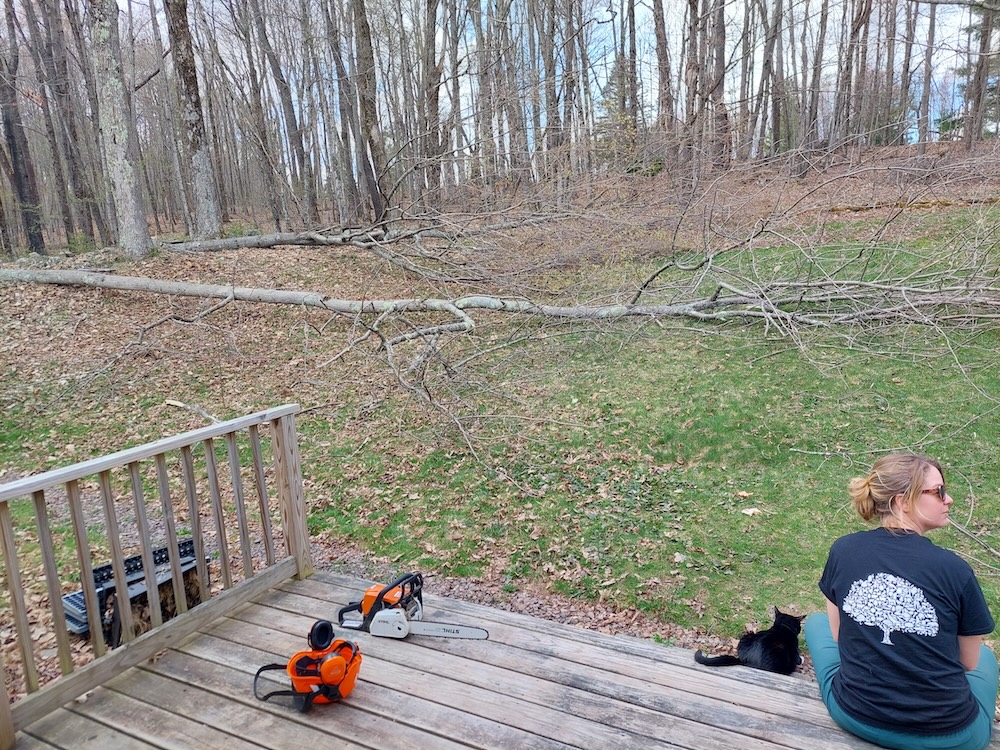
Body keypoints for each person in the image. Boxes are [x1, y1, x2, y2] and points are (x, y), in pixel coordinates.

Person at [805, 453, 999, 750]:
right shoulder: (955, 570)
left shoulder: (843, 550)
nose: (949, 500)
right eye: (939, 492)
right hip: (951, 739)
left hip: (855, 715)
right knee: (985, 659)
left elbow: (837, 635)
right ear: (902, 501)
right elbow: (967, 662)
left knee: (817, 623)